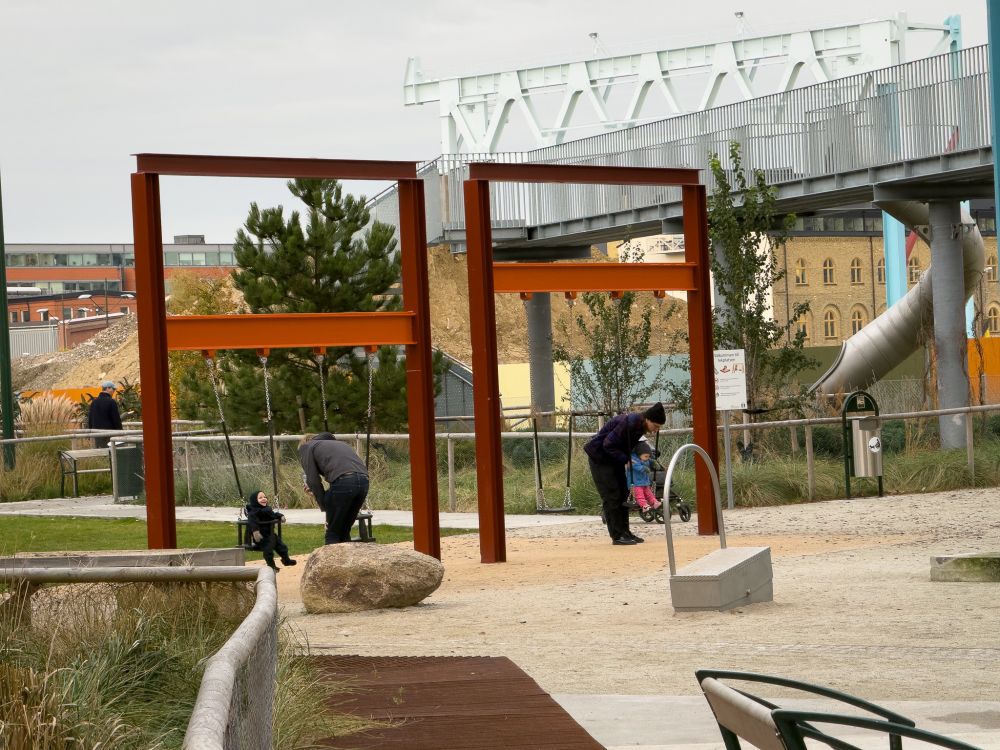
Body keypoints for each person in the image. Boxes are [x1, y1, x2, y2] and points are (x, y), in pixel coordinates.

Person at [584, 402, 666, 546]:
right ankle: (617, 535)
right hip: (600, 458)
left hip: (613, 459)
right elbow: (608, 444)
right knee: (612, 496)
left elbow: (630, 446)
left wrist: (649, 459)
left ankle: (625, 532)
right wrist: (626, 460)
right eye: (656, 426)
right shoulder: (630, 422)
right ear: (648, 419)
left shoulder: (640, 426)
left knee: (623, 493)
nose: (655, 430)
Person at [298, 432, 369, 544]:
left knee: (333, 533)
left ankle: (329, 561)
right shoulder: (339, 444)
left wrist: (324, 504)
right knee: (344, 530)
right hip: (364, 482)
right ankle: (347, 560)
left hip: (344, 481)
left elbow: (313, 480)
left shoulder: (307, 446)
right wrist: (326, 498)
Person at [245, 489, 296, 572]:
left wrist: (280, 516)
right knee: (268, 551)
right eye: (260, 498)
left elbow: (274, 515)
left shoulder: (267, 510)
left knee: (282, 547)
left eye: (265, 497)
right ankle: (271, 566)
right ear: (254, 501)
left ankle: (286, 560)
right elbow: (252, 522)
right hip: (260, 537)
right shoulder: (253, 512)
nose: (264, 499)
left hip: (270, 535)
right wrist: (255, 532)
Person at [627, 444, 662, 513]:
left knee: (649, 494)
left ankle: (654, 502)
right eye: (646, 456)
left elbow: (650, 460)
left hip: (644, 482)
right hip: (635, 483)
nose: (647, 458)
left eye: (648, 456)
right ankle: (644, 506)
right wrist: (643, 468)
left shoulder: (645, 458)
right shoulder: (633, 460)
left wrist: (654, 462)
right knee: (640, 496)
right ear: (639, 454)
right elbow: (636, 466)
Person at [88, 380, 123, 448]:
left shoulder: (94, 402)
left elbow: (90, 419)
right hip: (109, 434)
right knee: (112, 454)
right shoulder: (111, 402)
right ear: (108, 388)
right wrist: (120, 431)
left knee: (101, 453)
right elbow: (116, 419)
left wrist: (90, 432)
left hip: (97, 434)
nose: (114, 391)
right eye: (113, 389)